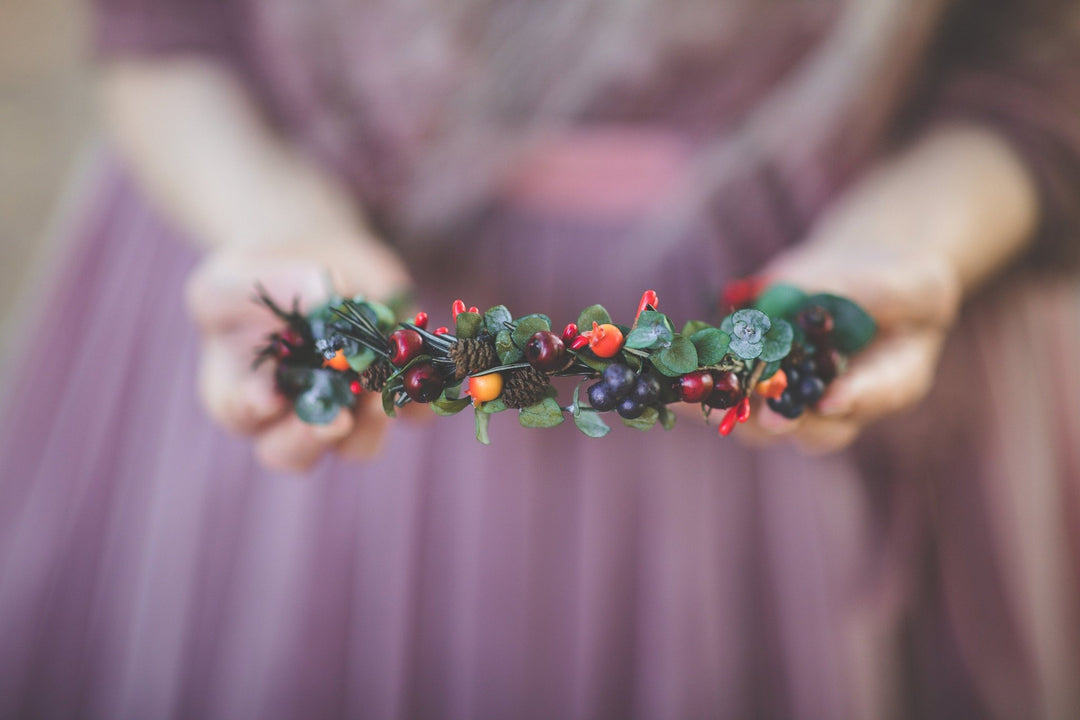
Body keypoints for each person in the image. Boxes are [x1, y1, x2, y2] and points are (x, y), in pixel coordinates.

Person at [1, 0, 1078, 717]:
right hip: (299, 300)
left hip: (823, 410)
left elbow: (1036, 56)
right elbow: (165, 29)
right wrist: (284, 237)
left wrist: (904, 244)